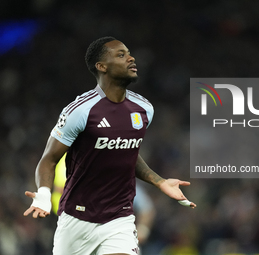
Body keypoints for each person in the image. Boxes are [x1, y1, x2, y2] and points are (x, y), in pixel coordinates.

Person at [23, 36, 196, 255]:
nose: (131, 58)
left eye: (129, 53)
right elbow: (48, 160)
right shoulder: (80, 110)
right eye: (121, 55)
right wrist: (44, 195)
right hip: (76, 219)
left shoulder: (144, 109)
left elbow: (126, 152)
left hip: (119, 219)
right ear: (102, 66)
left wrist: (159, 182)